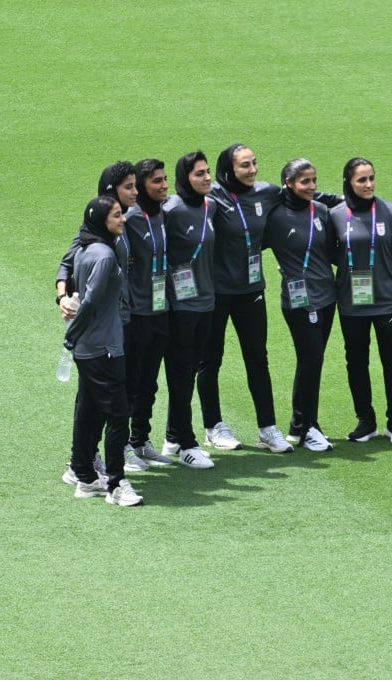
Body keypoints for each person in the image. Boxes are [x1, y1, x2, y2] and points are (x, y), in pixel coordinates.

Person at [200, 143, 292, 453]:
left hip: (251, 290)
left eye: (254, 163)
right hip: (215, 293)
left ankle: (267, 428)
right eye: (244, 165)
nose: (252, 170)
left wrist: (344, 201)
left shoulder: (266, 192)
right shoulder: (212, 196)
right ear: (229, 169)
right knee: (210, 360)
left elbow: (303, 196)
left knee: (257, 358)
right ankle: (213, 426)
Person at [58, 162, 146, 482]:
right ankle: (83, 461)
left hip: (120, 322)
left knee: (108, 395)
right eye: (128, 187)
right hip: (103, 328)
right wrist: (62, 298)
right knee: (93, 399)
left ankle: (89, 458)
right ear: (112, 191)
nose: (135, 192)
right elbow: (67, 265)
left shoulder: (121, 224)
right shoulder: (98, 230)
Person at [327, 157, 392, 444]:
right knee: (356, 361)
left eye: (371, 178)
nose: (368, 185)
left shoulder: (391, 212)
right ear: (349, 183)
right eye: (361, 180)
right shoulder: (335, 215)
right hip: (351, 302)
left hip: (387, 301)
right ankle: (365, 422)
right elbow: (327, 252)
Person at [264, 159, 337, 452]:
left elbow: (331, 251)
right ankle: (307, 427)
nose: (311, 186)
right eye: (304, 181)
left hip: (327, 297)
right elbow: (246, 244)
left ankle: (301, 425)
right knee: (311, 359)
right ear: (289, 183)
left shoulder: (320, 211)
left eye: (314, 180)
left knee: (314, 362)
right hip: (298, 301)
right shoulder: (276, 216)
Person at [160, 151, 217, 469]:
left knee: (190, 370)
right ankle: (186, 443)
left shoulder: (211, 206)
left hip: (206, 303)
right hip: (181, 307)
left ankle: (172, 437)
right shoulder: (172, 209)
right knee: (181, 374)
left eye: (208, 172)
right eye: (199, 173)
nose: (206, 178)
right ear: (185, 178)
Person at [121, 158, 175, 466]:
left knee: (150, 383)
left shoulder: (165, 215)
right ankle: (123, 445)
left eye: (165, 179)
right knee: (131, 382)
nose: (164, 185)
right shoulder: (129, 218)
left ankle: (140, 440)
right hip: (137, 313)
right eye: (157, 181)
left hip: (161, 310)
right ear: (142, 186)